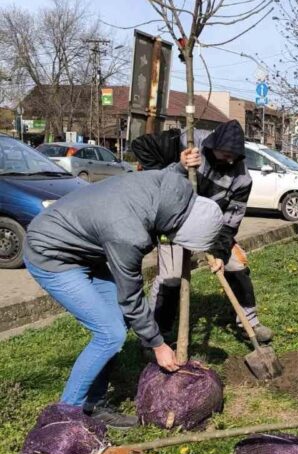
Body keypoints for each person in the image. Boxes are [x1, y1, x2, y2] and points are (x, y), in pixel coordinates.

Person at [23, 167, 223, 429]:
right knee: (110, 334)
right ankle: (65, 418)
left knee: (117, 322)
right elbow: (130, 296)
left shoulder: (171, 185)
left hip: (85, 248)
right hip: (51, 254)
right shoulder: (128, 235)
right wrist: (157, 344)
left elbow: (172, 170)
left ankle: (94, 403)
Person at [131, 120, 274, 344]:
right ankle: (155, 338)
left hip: (211, 227)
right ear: (213, 145)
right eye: (225, 154)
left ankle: (249, 324)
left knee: (237, 266)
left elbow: (230, 221)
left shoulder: (242, 179)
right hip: (174, 223)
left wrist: (219, 252)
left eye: (234, 157)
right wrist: (177, 167)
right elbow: (140, 145)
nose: (230, 160)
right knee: (171, 279)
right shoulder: (187, 142)